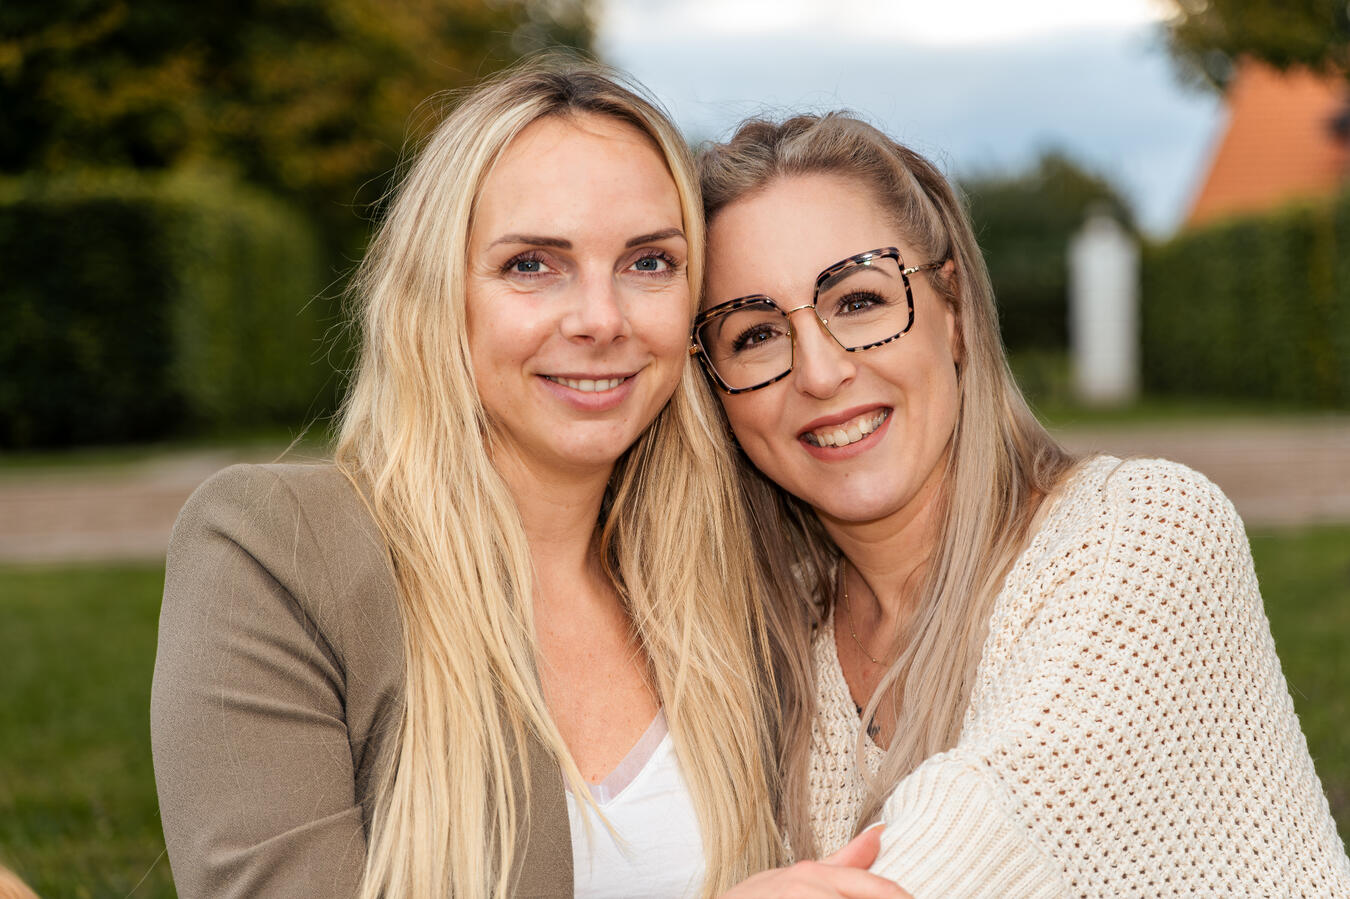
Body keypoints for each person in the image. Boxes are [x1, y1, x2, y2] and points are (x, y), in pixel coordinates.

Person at [152, 62, 812, 899]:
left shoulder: (737, 575)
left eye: (649, 262)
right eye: (533, 264)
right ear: (438, 293)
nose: (601, 320)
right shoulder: (279, 548)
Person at [693, 112, 1350, 896]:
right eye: (756, 334)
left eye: (859, 300)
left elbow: (1004, 814)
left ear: (955, 310)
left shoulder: (1148, 532)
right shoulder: (762, 641)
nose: (821, 371)